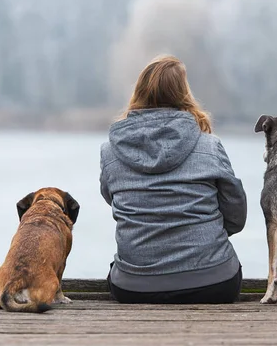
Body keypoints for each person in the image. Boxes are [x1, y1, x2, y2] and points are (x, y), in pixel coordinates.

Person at [99, 55, 247, 304]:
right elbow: (236, 216)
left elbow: (113, 201)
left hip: (134, 287)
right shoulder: (210, 146)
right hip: (213, 282)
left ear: (139, 92)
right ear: (183, 94)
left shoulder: (110, 151)